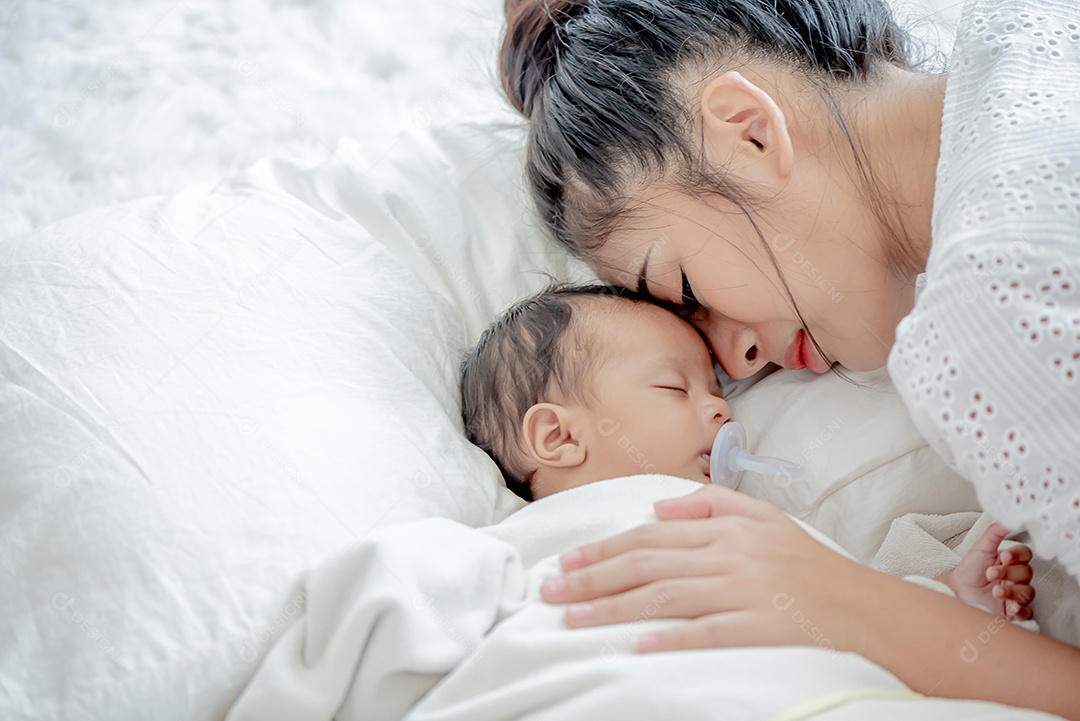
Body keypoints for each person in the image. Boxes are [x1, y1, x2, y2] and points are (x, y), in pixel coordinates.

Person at [499, 0, 1080, 717]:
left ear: (749, 131)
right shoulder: (1029, 26)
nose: (737, 359)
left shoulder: (1000, 307)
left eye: (683, 287)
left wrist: (847, 601)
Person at [461, 283, 1037, 616]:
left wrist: (945, 598)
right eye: (672, 387)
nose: (722, 410)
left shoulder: (735, 521)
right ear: (558, 437)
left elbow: (838, 610)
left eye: (716, 390)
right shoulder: (515, 556)